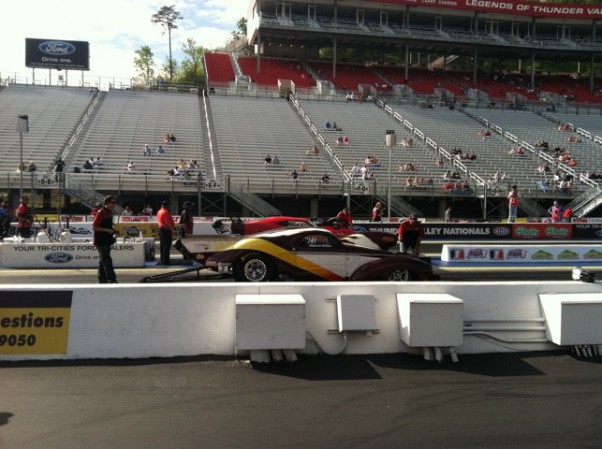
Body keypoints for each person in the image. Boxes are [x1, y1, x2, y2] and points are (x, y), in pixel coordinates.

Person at [92, 196, 118, 284]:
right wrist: (107, 230)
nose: (114, 205)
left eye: (114, 203)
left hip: (107, 239)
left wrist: (113, 229)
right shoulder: (101, 212)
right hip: (101, 240)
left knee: (103, 260)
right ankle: (112, 279)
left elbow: (107, 225)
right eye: (112, 203)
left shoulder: (109, 212)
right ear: (107, 203)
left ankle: (102, 279)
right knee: (107, 260)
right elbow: (94, 227)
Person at [157, 201, 175, 265]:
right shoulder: (165, 212)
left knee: (163, 245)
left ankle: (163, 259)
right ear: (167, 206)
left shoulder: (159, 211)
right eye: (169, 205)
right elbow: (168, 222)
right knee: (167, 245)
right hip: (166, 230)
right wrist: (172, 230)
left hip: (161, 229)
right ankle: (166, 260)